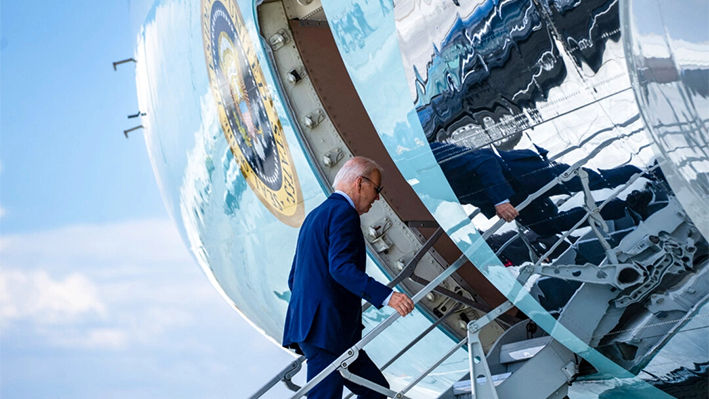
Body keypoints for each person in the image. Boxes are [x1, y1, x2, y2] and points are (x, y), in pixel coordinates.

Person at [283, 157, 415, 399]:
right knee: (328, 395)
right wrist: (388, 297)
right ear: (359, 183)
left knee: (377, 390)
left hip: (321, 328)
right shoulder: (344, 213)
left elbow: (294, 278)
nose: (377, 198)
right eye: (377, 189)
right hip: (326, 330)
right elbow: (341, 268)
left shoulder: (315, 215)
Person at [430, 141, 649, 236]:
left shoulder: (427, 156)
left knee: (593, 180)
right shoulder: (420, 186)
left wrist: (500, 200)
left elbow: (484, 160)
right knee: (546, 228)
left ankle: (647, 173)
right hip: (512, 196)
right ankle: (623, 207)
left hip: (519, 174)